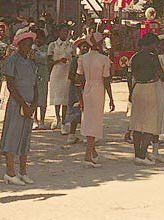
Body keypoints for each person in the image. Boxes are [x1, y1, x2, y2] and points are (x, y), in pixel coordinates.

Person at [0, 32, 38, 186]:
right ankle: (9, 172)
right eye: (27, 44)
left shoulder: (31, 63)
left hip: (29, 104)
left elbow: (35, 85)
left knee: (25, 138)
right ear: (20, 44)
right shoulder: (12, 61)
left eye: (31, 44)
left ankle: (23, 171)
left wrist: (34, 104)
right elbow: (11, 84)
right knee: (13, 135)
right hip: (17, 104)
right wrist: (22, 104)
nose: (29, 47)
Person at [76, 33, 115, 168]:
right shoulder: (104, 59)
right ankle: (88, 155)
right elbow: (106, 80)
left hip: (87, 88)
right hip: (98, 89)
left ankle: (92, 151)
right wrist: (111, 98)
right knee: (95, 120)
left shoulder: (82, 58)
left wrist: (80, 97)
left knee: (88, 118)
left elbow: (78, 79)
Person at [129, 33, 164, 165]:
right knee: (150, 123)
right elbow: (160, 73)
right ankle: (143, 154)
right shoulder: (153, 57)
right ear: (151, 45)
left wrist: (130, 93)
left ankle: (137, 154)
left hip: (137, 88)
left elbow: (130, 76)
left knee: (137, 124)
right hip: (150, 88)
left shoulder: (135, 57)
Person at [48, 24, 74, 133]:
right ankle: (57, 117)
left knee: (65, 98)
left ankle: (64, 121)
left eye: (66, 32)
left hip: (66, 72)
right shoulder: (53, 45)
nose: (65, 34)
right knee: (57, 97)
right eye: (63, 31)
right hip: (56, 72)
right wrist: (59, 60)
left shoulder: (71, 45)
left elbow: (74, 58)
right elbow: (49, 62)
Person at [66, 37, 90, 145]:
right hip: (75, 89)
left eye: (86, 46)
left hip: (87, 88)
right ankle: (71, 135)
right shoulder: (75, 60)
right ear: (79, 48)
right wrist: (78, 82)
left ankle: (85, 134)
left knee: (87, 112)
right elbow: (70, 75)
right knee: (75, 112)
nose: (84, 48)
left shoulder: (89, 60)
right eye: (82, 46)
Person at [32, 29, 50, 130]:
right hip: (34, 72)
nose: (38, 40)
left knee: (43, 96)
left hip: (43, 72)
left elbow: (46, 59)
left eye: (40, 38)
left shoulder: (47, 48)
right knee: (34, 96)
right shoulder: (32, 48)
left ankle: (42, 120)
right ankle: (35, 120)